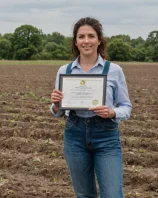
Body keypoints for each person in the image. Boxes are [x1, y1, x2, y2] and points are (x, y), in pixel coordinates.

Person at [50, 17, 132, 198]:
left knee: (113, 194)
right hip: (74, 135)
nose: (86, 41)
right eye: (81, 37)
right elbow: (59, 112)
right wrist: (56, 104)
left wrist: (112, 112)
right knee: (84, 194)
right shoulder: (65, 71)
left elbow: (126, 107)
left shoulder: (114, 70)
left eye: (91, 36)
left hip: (106, 135)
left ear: (99, 40)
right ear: (76, 42)